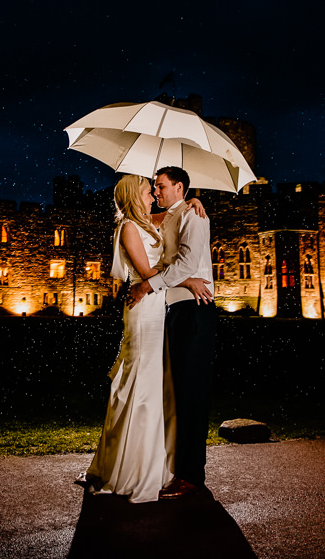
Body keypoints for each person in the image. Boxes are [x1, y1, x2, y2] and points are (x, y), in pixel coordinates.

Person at [80, 174, 176, 503]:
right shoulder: (130, 228)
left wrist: (192, 201)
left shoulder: (147, 222)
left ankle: (148, 463)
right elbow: (147, 273)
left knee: (153, 383)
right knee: (140, 382)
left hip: (155, 309)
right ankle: (131, 470)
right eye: (150, 193)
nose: (154, 198)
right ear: (136, 196)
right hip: (143, 310)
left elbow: (174, 213)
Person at [129, 165, 216, 499]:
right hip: (176, 310)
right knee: (177, 393)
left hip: (196, 310)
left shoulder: (195, 217)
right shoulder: (173, 216)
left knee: (192, 395)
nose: (157, 191)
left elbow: (186, 263)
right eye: (154, 186)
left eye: (161, 186)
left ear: (178, 187)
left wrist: (147, 286)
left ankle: (192, 477)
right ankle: (177, 469)